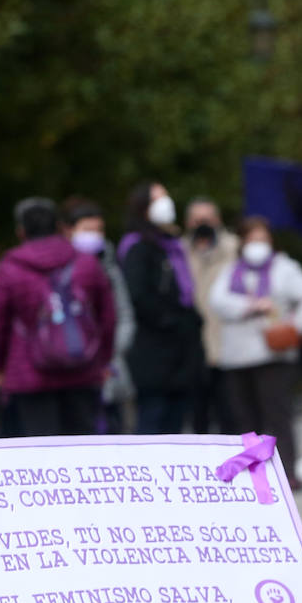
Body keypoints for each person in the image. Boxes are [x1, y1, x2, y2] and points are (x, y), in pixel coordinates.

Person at [0, 199, 115, 437]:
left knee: (40, 452)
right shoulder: (85, 262)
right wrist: (103, 359)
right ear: (59, 226)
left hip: (29, 373)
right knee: (82, 449)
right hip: (82, 366)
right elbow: (107, 315)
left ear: (21, 231)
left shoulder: (11, 266)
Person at [209, 218, 302, 486]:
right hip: (237, 358)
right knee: (245, 421)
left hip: (274, 356)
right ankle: (252, 478)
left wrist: (296, 327)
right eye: (252, 239)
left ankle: (286, 475)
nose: (257, 246)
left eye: (263, 239)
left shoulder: (284, 269)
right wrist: (250, 305)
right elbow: (217, 301)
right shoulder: (231, 271)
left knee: (277, 417)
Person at [119, 181, 203, 435]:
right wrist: (170, 320)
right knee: (154, 419)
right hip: (154, 350)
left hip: (179, 349)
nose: (166, 202)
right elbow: (139, 295)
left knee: (175, 420)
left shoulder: (172, 245)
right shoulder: (137, 246)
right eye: (158, 198)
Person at [62, 197, 135, 434]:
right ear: (68, 231)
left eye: (99, 230)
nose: (95, 235)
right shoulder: (57, 269)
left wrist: (108, 353)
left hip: (108, 370)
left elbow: (124, 314)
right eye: (87, 230)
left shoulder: (109, 266)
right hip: (69, 371)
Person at [184, 198, 239, 432]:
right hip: (192, 348)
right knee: (198, 418)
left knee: (231, 414)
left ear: (218, 220)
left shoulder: (235, 249)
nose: (202, 225)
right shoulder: (179, 252)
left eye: (207, 219)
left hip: (228, 345)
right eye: (197, 220)